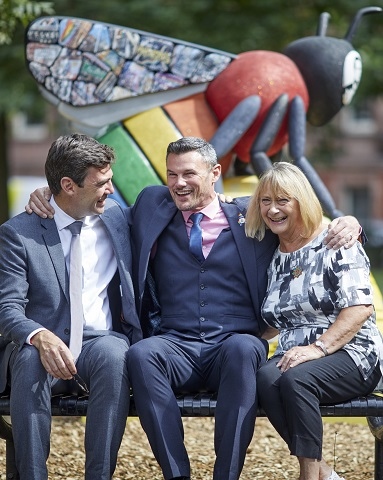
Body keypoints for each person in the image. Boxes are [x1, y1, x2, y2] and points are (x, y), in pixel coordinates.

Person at [26, 137, 361, 480]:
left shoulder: (253, 215)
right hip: (175, 343)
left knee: (245, 347)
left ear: (215, 172)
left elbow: (299, 216)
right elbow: (91, 203)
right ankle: (177, 475)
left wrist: (347, 221)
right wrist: (47, 194)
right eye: (171, 174)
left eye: (188, 173)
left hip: (231, 343)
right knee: (141, 354)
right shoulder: (151, 206)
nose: (178, 183)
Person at [0, 133, 142, 479]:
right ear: (68, 185)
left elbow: (191, 201)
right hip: (41, 345)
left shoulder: (117, 219)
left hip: (98, 342)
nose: (111, 189)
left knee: (115, 353)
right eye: (101, 183)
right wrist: (38, 335)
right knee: (32, 357)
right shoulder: (19, 233)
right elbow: (7, 308)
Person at [245, 161, 383, 480]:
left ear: (302, 201)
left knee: (297, 380)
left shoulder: (336, 241)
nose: (273, 209)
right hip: (296, 355)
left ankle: (310, 477)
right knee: (265, 378)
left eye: (283, 200)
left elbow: (359, 309)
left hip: (352, 352)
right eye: (266, 201)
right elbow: (276, 321)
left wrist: (318, 349)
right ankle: (324, 473)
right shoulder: (275, 255)